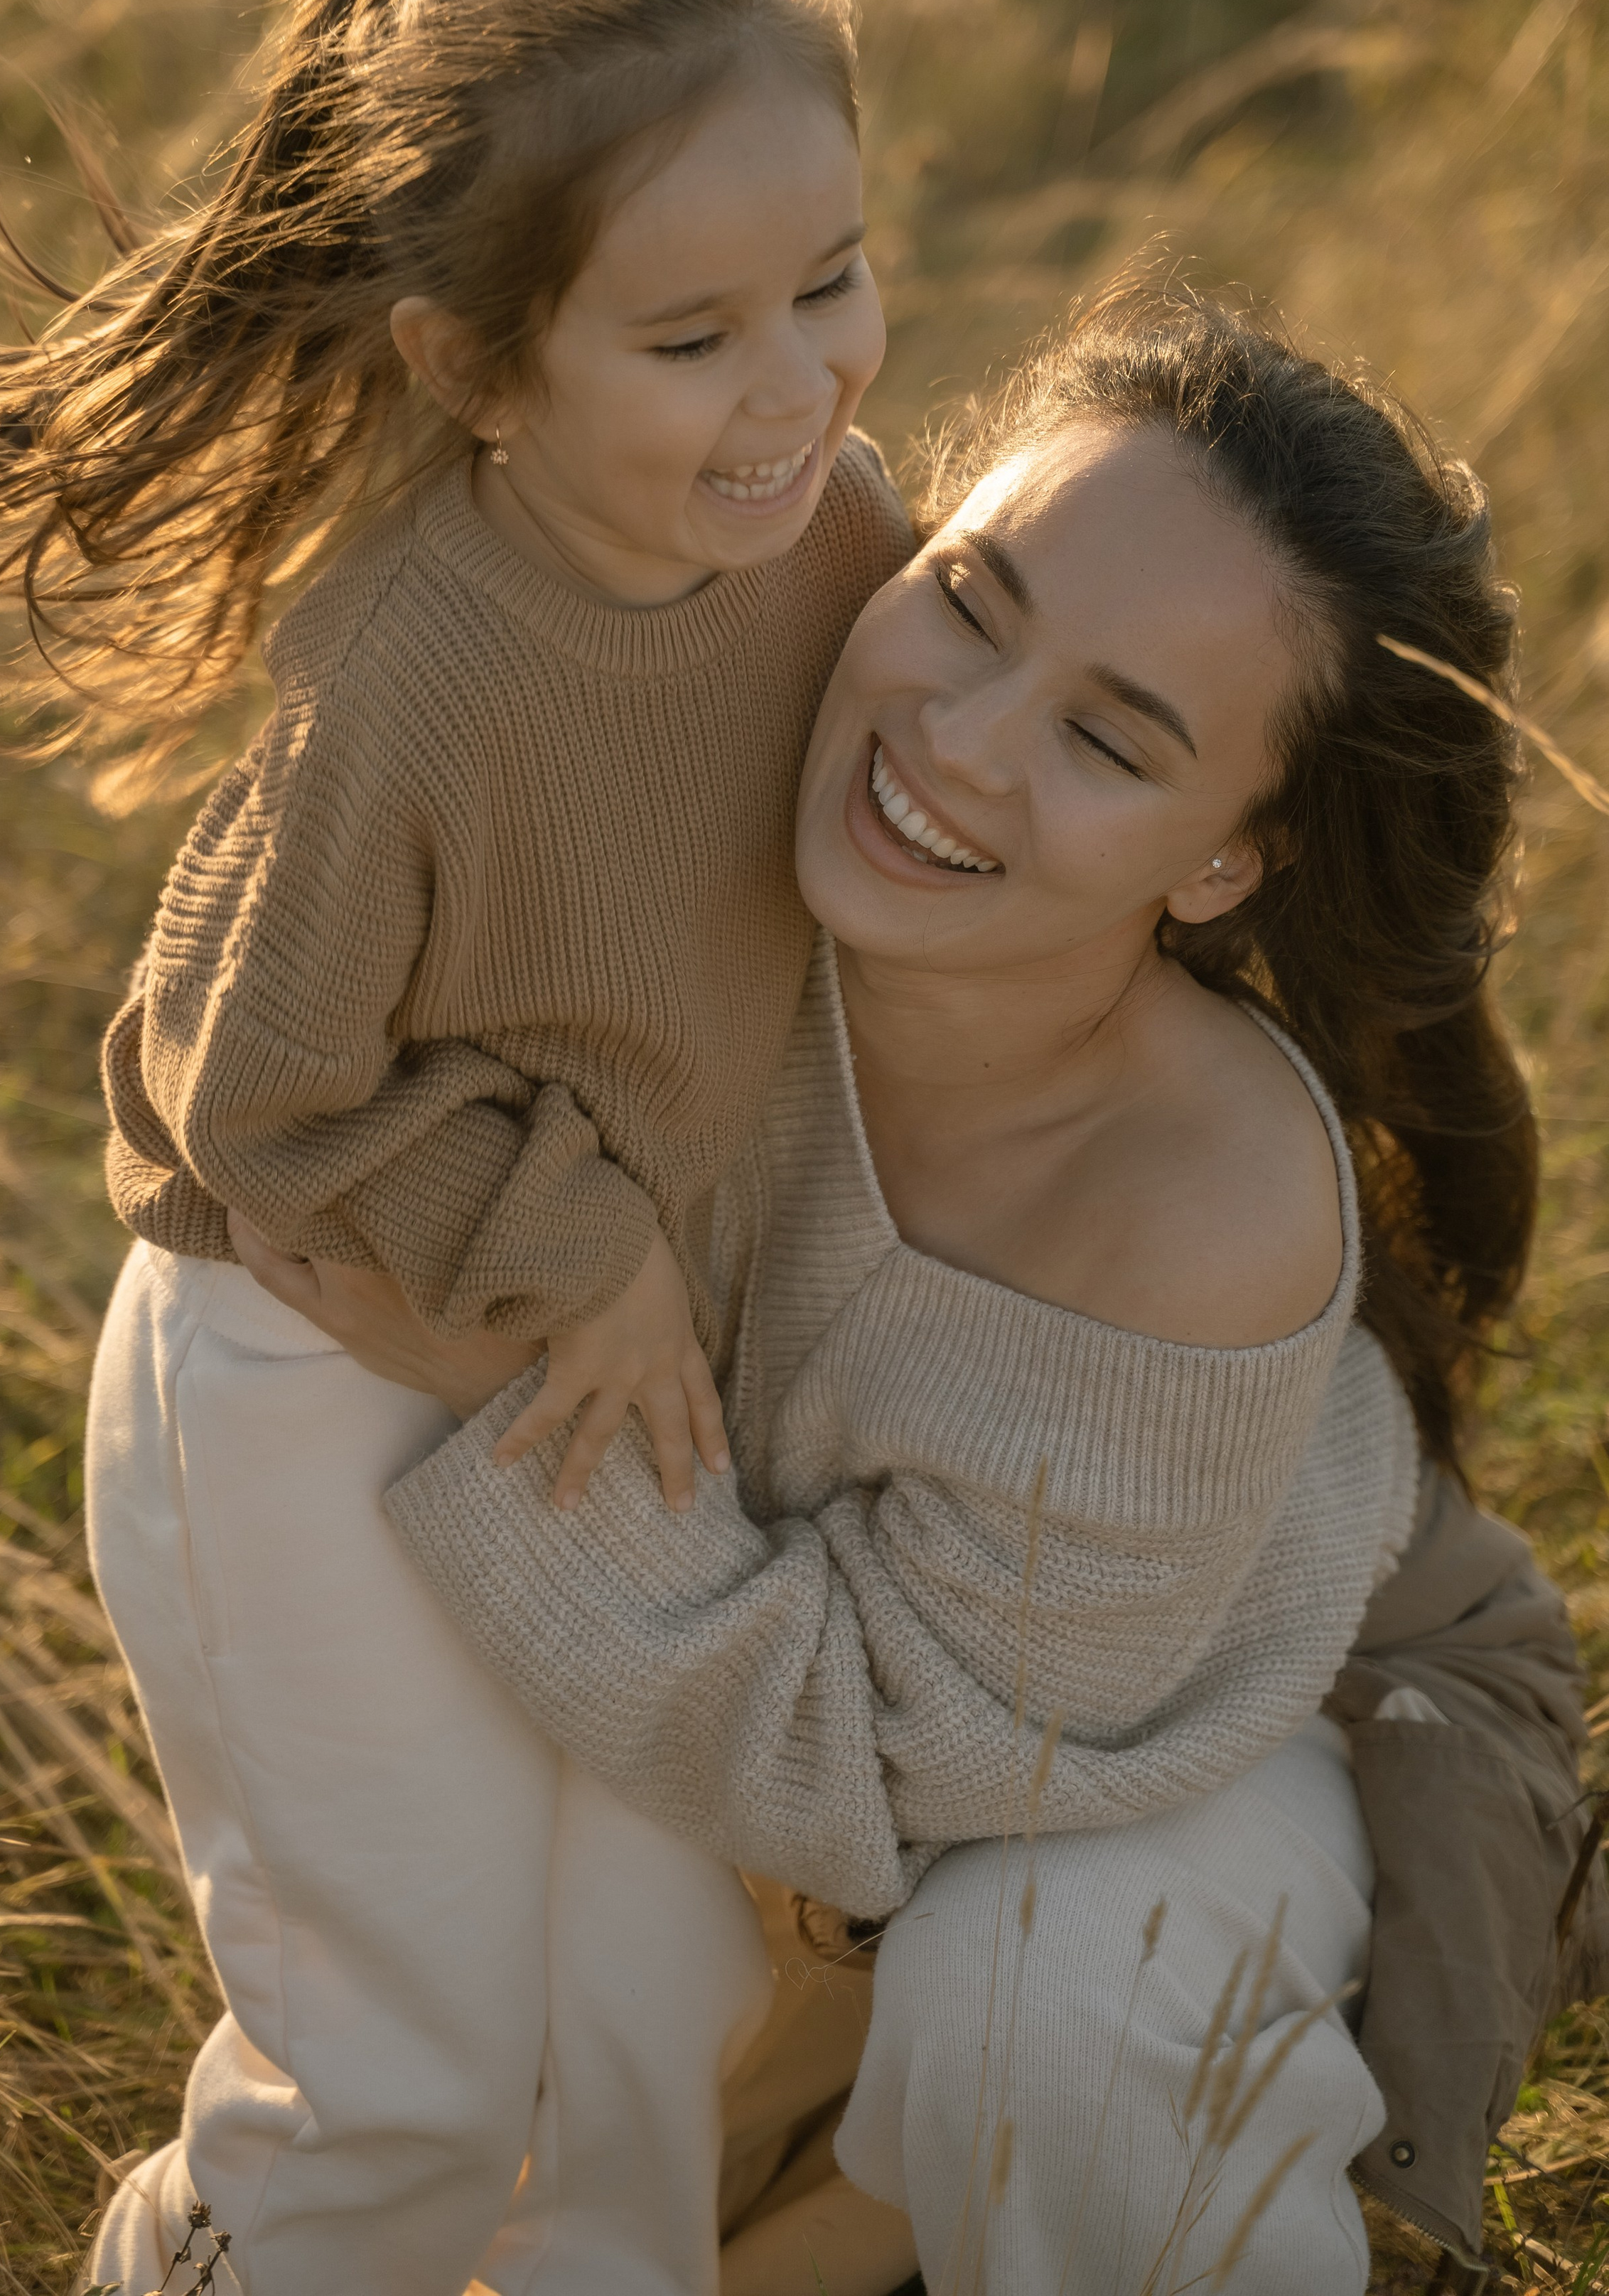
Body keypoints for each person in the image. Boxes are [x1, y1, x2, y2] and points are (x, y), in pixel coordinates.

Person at [0, 0, 908, 2295]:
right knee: (406, 2065)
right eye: (690, 335)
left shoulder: (839, 550)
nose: (799, 384)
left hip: (608, 1382)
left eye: (831, 283)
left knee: (650, 2007)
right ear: (473, 369)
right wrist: (580, 1238)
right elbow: (243, 1091)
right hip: (306, 1361)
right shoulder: (408, 668)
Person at [247, 286, 1582, 2292]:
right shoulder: (724, 751)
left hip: (1190, 1745)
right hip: (788, 1726)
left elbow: (876, 1777)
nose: (952, 741)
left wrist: (491, 1348)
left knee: (1042, 2008)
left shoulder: (1201, 1213)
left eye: (1111, 740)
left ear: (1227, 862)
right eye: (973, 600)